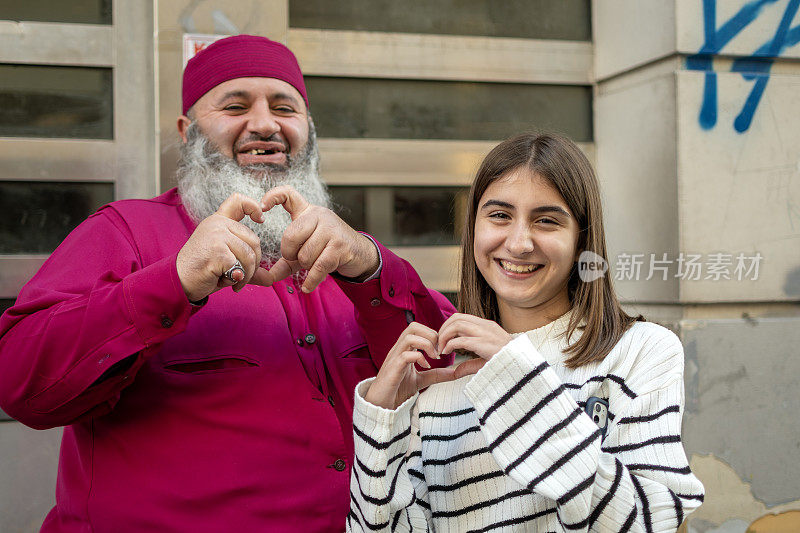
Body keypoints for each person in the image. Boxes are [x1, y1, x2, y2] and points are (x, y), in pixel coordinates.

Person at [0, 35, 453, 532]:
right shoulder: (125, 232)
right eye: (235, 105)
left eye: (286, 108)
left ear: (309, 130)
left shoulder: (350, 256)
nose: (265, 124)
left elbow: (452, 382)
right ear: (187, 130)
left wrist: (370, 267)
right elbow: (21, 383)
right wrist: (174, 282)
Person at [347, 133, 705, 532]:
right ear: (474, 229)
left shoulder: (642, 351)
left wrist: (517, 378)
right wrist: (381, 424)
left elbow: (649, 523)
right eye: (499, 215)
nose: (518, 243)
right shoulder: (441, 381)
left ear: (582, 238)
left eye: (547, 221)